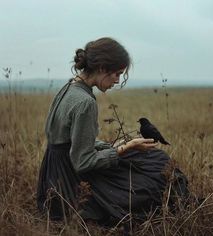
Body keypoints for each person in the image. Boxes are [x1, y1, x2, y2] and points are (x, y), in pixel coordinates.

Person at [37, 37, 189, 225]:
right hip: (70, 179)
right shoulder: (85, 102)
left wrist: (113, 146)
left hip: (51, 173)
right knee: (155, 174)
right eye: (117, 74)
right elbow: (82, 162)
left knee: (153, 159)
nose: (117, 81)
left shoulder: (69, 87)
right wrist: (124, 149)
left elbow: (66, 139)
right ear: (101, 68)